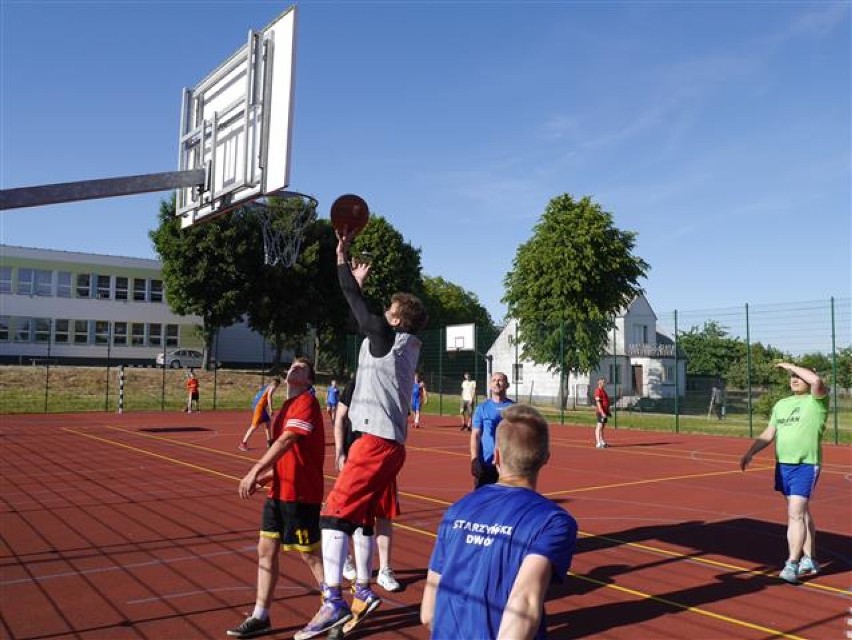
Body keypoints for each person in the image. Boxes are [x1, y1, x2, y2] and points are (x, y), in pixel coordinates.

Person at [296, 228, 428, 640]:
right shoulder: (403, 345)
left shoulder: (388, 337)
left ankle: (334, 600)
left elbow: (355, 304)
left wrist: (342, 260)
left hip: (375, 442)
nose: (381, 313)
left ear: (394, 318)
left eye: (387, 309)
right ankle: (362, 590)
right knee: (361, 521)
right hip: (386, 443)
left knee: (332, 514)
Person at [421, 404, 577, 639]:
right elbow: (524, 601)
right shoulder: (552, 522)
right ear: (545, 458)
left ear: (496, 456)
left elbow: (428, 614)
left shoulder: (457, 509)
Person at [228, 358, 326, 639]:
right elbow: (288, 458)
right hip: (280, 490)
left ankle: (334, 605)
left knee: (310, 555)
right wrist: (267, 477)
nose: (294, 368)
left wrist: (254, 469)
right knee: (266, 549)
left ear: (308, 380)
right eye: (292, 366)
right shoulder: (284, 408)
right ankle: (261, 615)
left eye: (302, 368)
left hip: (301, 493)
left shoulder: (307, 402)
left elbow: (287, 442)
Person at [740, 362, 828, 584]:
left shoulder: (817, 401)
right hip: (783, 466)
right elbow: (770, 432)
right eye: (791, 376)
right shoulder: (781, 404)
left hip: (806, 465)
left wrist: (790, 365)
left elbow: (817, 381)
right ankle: (810, 558)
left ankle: (792, 564)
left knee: (795, 513)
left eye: (798, 376)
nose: (794, 379)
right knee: (802, 512)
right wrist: (751, 452)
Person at [335, 375, 403, 593]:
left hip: (382, 456)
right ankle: (346, 558)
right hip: (357, 457)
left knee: (384, 514)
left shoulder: (391, 384)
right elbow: (340, 418)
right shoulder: (355, 383)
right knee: (348, 512)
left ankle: (384, 569)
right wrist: (340, 452)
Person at [470, 372, 514, 489]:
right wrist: (474, 460)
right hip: (486, 463)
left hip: (508, 465)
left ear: (507, 385)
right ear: (490, 385)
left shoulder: (515, 408)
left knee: (507, 503)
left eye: (500, 380)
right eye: (494, 380)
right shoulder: (482, 408)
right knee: (483, 503)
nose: (497, 383)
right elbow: (475, 435)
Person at [238, 378, 281, 451]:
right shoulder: (272, 387)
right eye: (277, 386)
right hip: (259, 407)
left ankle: (269, 442)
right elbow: (269, 397)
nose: (276, 388)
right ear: (276, 384)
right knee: (254, 426)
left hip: (259, 406)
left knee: (268, 422)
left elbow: (259, 395)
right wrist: (270, 409)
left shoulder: (266, 386)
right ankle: (243, 443)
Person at [593, 377, 611, 448]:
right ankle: (598, 443)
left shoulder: (604, 391)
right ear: (599, 383)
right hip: (600, 412)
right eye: (603, 382)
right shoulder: (598, 391)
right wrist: (602, 412)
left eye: (604, 382)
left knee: (602, 427)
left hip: (605, 412)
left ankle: (602, 441)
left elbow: (606, 402)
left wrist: (608, 411)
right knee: (599, 426)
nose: (604, 383)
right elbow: (598, 403)